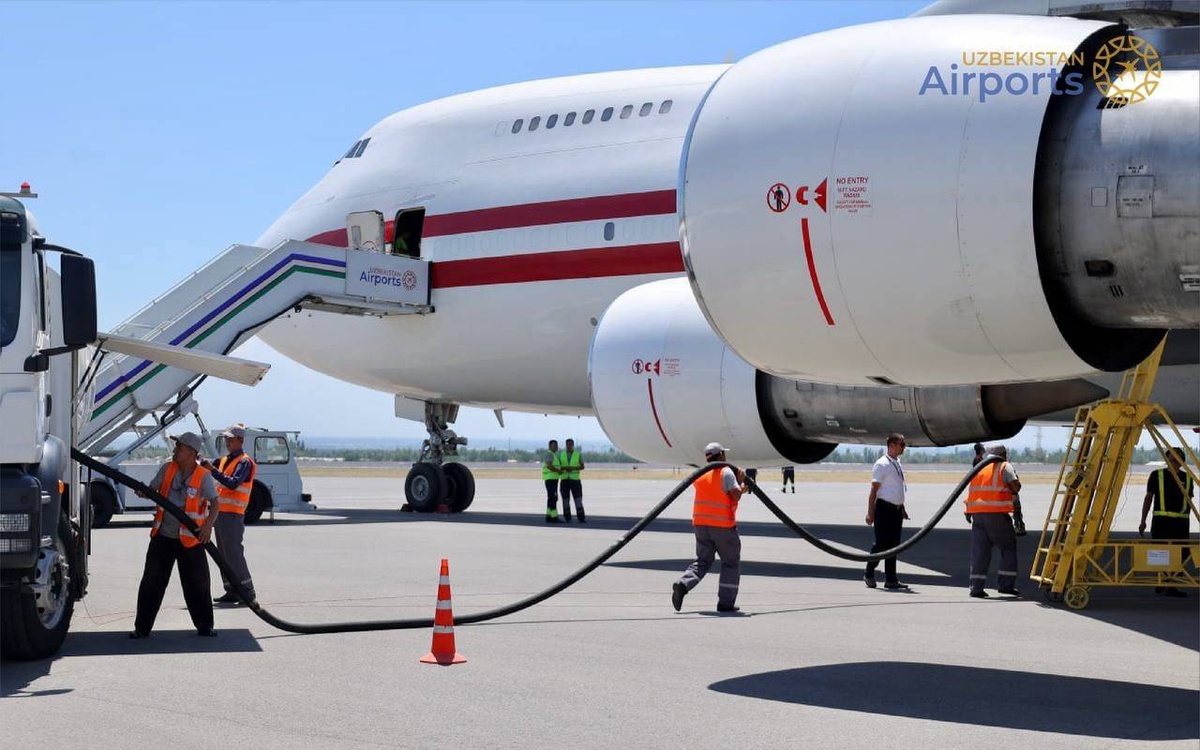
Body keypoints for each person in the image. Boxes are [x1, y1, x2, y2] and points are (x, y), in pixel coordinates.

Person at [129, 432, 220, 638]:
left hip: (191, 539)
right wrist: (145, 492)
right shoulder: (167, 469)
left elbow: (216, 503)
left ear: (191, 452)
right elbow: (153, 489)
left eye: (179, 447)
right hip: (163, 536)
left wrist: (207, 527)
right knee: (151, 582)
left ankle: (205, 626)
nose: (175, 449)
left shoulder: (202, 476)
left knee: (198, 584)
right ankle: (141, 628)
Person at [672, 442, 747, 613]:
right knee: (730, 563)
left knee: (703, 561)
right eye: (724, 454)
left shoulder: (701, 473)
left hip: (701, 526)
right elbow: (734, 496)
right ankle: (726, 603)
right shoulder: (726, 472)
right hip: (722, 526)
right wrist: (741, 484)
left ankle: (683, 585)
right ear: (720, 455)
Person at [202, 425, 258, 606]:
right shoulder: (226, 459)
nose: (227, 442)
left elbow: (233, 484)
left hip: (233, 514)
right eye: (226, 439)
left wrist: (212, 470)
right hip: (220, 512)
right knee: (224, 553)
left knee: (233, 553)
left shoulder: (244, 462)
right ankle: (231, 590)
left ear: (240, 441)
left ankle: (247, 591)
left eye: (230, 439)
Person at [964, 445, 1022, 598]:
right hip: (996, 514)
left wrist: (968, 510)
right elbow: (1015, 488)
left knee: (980, 552)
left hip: (977, 514)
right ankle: (1006, 585)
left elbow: (972, 489)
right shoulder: (1004, 466)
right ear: (1003, 454)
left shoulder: (979, 467)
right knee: (1008, 547)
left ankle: (975, 588)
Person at [1139, 447, 1195, 598]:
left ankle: (1170, 583)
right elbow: (1148, 498)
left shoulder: (1188, 478)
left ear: (1182, 462)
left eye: (1176, 460)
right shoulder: (1157, 475)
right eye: (1170, 460)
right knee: (1160, 552)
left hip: (1181, 523)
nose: (1173, 463)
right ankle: (1162, 581)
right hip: (1161, 521)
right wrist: (1143, 520)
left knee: (1183, 552)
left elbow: (1189, 502)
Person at [864, 433, 910, 590]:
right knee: (881, 544)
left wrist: (901, 507)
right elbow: (873, 491)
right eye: (901, 444)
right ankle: (869, 572)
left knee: (894, 546)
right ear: (891, 445)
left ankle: (891, 578)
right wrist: (870, 513)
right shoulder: (882, 464)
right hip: (883, 509)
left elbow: (895, 488)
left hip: (896, 511)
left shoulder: (897, 462)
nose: (903, 447)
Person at [558, 438, 586, 522]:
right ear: (566, 445)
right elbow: (558, 466)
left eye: (570, 444)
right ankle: (567, 517)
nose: (569, 446)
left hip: (575, 480)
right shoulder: (561, 454)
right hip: (564, 480)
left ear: (573, 445)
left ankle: (581, 517)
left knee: (578, 499)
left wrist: (572, 468)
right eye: (567, 444)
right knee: (565, 500)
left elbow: (582, 466)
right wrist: (565, 468)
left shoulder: (577, 454)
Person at [543, 439, 562, 523]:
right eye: (554, 445)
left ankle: (549, 515)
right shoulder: (550, 454)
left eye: (556, 445)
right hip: (550, 479)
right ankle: (554, 517)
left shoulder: (553, 455)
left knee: (551, 498)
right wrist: (558, 471)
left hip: (553, 479)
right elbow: (549, 466)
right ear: (550, 446)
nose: (556, 447)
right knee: (553, 498)